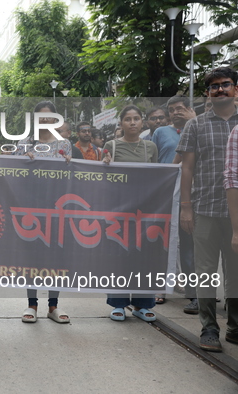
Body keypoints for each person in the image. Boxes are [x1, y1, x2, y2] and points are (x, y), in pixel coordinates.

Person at [178, 66, 238, 352]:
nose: (220, 90)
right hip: (204, 208)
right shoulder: (196, 125)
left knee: (236, 270)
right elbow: (187, 168)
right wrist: (186, 207)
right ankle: (209, 328)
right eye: (214, 86)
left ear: (235, 89)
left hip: (236, 213)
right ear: (208, 93)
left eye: (225, 84)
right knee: (205, 272)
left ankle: (235, 326)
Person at [14, 101, 71, 324]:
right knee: (33, 257)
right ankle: (32, 304)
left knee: (55, 256)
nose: (45, 121)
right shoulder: (23, 144)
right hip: (31, 207)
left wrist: (69, 164)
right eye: (41, 117)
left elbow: (71, 178)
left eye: (50, 117)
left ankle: (53, 306)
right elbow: (14, 175)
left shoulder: (64, 145)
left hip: (57, 209)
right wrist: (23, 164)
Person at [103, 105, 158, 322]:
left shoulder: (151, 147)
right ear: (121, 123)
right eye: (128, 119)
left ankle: (143, 304)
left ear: (142, 122)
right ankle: (118, 303)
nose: (132, 123)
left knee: (146, 257)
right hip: (118, 210)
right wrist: (105, 164)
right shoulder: (111, 146)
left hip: (145, 211)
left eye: (136, 119)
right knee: (119, 257)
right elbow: (103, 178)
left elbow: (158, 177)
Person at [152, 96, 197, 310]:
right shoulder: (160, 133)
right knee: (164, 239)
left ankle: (193, 289)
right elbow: (153, 160)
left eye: (180, 108)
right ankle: (160, 287)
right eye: (172, 110)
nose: (176, 112)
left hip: (194, 191)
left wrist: (193, 122)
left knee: (189, 243)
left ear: (189, 109)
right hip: (167, 191)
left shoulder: (199, 126)